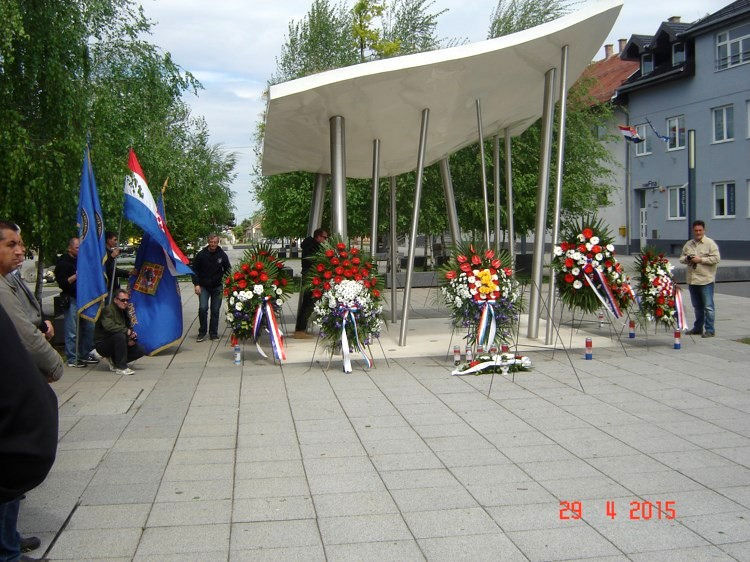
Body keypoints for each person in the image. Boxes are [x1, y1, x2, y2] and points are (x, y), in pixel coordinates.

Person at [0, 221, 64, 382]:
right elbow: (23, 332)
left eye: (21, 244)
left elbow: (29, 305)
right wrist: (54, 365)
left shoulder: (11, 274)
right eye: (11, 245)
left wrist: (43, 323)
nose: (20, 251)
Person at [54, 237, 98, 367]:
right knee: (72, 330)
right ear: (70, 248)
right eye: (77, 247)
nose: (80, 250)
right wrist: (77, 275)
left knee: (89, 327)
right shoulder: (63, 263)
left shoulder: (83, 260)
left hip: (86, 299)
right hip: (72, 299)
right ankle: (72, 358)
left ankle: (85, 354)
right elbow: (62, 283)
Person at [680, 220, 721, 338]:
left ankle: (710, 330)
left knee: (708, 307)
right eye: (696, 230)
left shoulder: (710, 243)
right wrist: (687, 258)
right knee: (697, 307)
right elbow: (681, 258)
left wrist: (701, 260)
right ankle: (698, 328)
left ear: (704, 230)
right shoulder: (689, 244)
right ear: (693, 231)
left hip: (705, 280)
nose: (698, 232)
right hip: (692, 280)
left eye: (700, 230)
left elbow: (716, 259)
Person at [94, 289, 145, 376]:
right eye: (123, 300)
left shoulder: (124, 310)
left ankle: (114, 361)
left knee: (140, 350)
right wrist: (126, 331)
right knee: (120, 336)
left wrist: (131, 336)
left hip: (118, 341)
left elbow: (128, 326)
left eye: (127, 300)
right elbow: (109, 326)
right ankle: (121, 367)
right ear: (115, 300)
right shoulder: (108, 310)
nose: (125, 302)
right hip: (103, 344)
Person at [190, 234, 231, 341]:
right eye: (211, 242)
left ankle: (213, 333)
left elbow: (228, 269)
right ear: (208, 242)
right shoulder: (201, 255)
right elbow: (194, 270)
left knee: (215, 310)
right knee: (203, 308)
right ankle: (202, 332)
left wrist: (227, 282)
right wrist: (196, 284)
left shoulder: (222, 255)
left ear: (218, 242)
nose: (213, 244)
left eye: (215, 242)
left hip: (217, 287)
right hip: (203, 286)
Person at [294, 228, 328, 338]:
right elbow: (314, 262)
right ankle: (300, 329)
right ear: (318, 237)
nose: (325, 240)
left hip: (310, 277)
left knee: (308, 304)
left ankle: (301, 328)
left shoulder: (310, 245)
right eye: (324, 237)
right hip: (311, 277)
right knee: (308, 303)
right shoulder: (312, 247)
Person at [104, 231, 134, 301]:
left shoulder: (110, 252)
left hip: (114, 285)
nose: (116, 242)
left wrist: (128, 273)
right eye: (114, 240)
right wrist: (112, 257)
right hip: (108, 287)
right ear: (108, 240)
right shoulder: (104, 253)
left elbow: (114, 269)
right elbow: (108, 269)